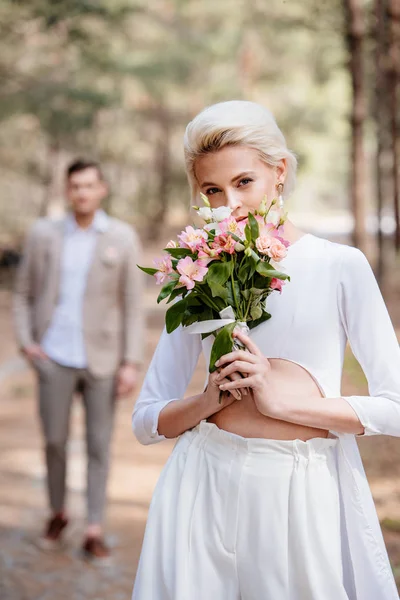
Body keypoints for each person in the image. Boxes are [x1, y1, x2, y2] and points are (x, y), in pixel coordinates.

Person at [131, 101, 400, 600]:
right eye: (212, 190)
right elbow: (147, 419)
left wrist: (282, 404)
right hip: (202, 486)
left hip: (302, 493)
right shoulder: (197, 272)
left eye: (243, 182)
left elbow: (395, 407)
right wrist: (208, 402)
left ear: (278, 172)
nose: (228, 203)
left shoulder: (340, 265)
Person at [14, 158, 144, 564]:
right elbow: (23, 294)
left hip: (102, 358)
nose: (82, 193)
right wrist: (27, 343)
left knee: (99, 445)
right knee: (54, 441)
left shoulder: (121, 237)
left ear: (102, 189)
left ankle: (93, 527)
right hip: (53, 355)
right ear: (67, 191)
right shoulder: (44, 234)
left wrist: (130, 361)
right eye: (75, 186)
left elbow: (133, 305)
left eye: (89, 185)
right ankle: (57, 513)